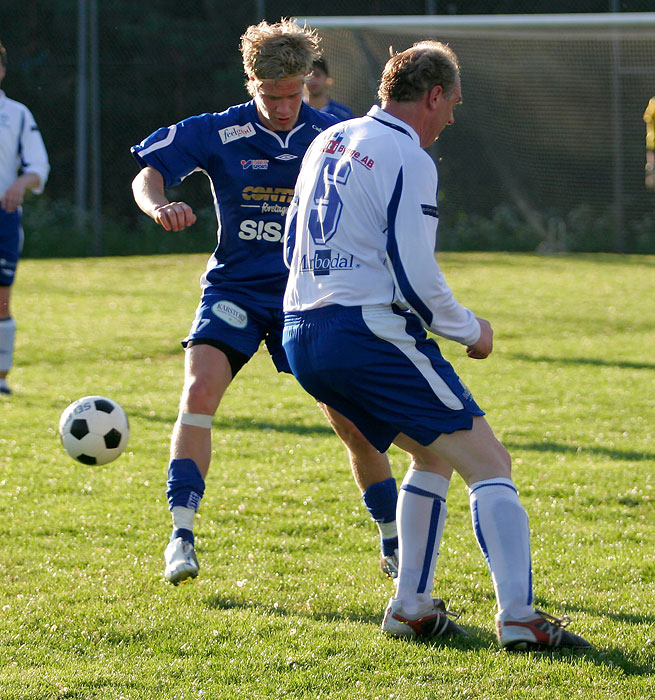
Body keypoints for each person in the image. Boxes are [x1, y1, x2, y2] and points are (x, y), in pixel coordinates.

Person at [282, 40, 591, 651]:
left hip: (301, 330)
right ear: (432, 95)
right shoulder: (407, 155)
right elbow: (414, 272)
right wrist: (469, 329)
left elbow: (292, 240)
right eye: (452, 103)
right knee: (490, 464)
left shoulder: (328, 138)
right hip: (362, 329)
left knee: (432, 456)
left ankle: (411, 607)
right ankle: (521, 618)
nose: (452, 118)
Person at [131, 19, 404, 586]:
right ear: (251, 81)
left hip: (307, 298)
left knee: (352, 422)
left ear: (308, 81)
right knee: (198, 391)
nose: (284, 108)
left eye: (294, 93)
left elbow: (377, 203)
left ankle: (393, 539)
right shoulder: (217, 130)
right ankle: (181, 536)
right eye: (271, 96)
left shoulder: (335, 133)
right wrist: (159, 206)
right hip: (234, 289)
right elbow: (148, 172)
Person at [0, 40, 50, 396]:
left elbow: (39, 167)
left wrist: (21, 181)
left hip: (2, 217)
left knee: (2, 298)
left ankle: (1, 377)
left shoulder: (16, 114)